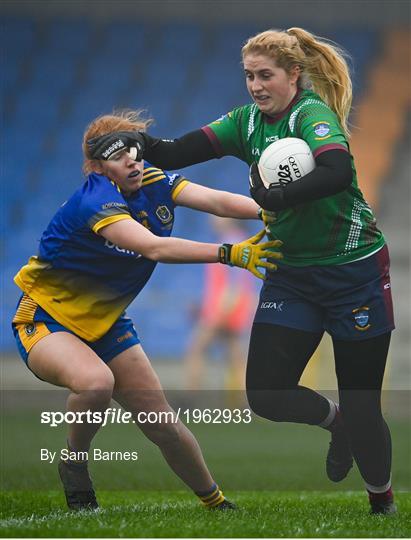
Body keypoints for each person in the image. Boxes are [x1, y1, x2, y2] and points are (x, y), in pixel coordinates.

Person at [89, 28, 397, 515]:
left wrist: (279, 197)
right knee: (266, 395)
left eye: (265, 74)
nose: (255, 84)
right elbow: (176, 152)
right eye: (249, 75)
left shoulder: (311, 114)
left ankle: (381, 502)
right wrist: (138, 141)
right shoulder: (245, 122)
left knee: (365, 406)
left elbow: (337, 172)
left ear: (294, 74)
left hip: (352, 271)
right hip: (291, 271)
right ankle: (334, 424)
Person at [12, 110, 282, 512]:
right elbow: (153, 247)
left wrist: (267, 210)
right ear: (96, 165)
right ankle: (74, 462)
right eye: (120, 155)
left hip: (104, 324)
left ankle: (216, 502)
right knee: (95, 382)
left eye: (135, 151)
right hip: (45, 318)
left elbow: (214, 200)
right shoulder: (94, 200)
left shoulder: (153, 180)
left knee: (162, 423)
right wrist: (229, 253)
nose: (134, 161)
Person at [184, 216, 257, 391]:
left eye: (217, 215)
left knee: (196, 349)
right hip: (234, 310)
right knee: (236, 358)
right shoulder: (240, 241)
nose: (212, 218)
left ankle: (190, 397)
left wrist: (221, 313)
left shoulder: (230, 242)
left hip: (224, 310)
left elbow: (234, 284)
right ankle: (244, 405)